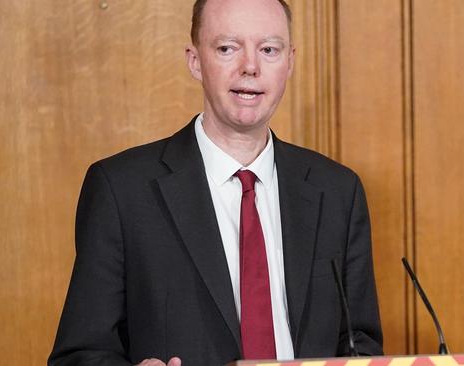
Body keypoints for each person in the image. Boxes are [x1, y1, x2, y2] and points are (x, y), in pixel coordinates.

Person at [48, 0, 382, 365]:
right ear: (195, 60)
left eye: (269, 50)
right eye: (228, 48)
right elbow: (79, 354)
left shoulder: (337, 191)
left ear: (290, 62)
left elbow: (359, 343)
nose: (250, 67)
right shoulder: (121, 190)